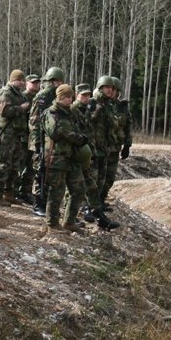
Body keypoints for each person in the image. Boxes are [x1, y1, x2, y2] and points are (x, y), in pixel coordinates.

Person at [72, 83, 119, 230]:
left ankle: (97, 213)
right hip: (80, 153)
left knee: (95, 183)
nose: (85, 98)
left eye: (87, 95)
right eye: (82, 95)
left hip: (95, 149)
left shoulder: (90, 109)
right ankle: (82, 211)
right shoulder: (75, 110)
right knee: (82, 184)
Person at [42, 84, 88, 234]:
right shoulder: (51, 113)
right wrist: (75, 138)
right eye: (66, 97)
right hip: (57, 158)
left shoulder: (71, 113)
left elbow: (81, 128)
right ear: (59, 97)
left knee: (79, 189)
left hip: (72, 157)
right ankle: (53, 224)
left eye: (70, 97)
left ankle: (69, 221)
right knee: (56, 192)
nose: (69, 99)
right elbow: (54, 132)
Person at [28, 67, 65, 217]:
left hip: (51, 141)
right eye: (56, 81)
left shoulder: (57, 96)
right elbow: (34, 121)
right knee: (40, 171)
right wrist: (37, 142)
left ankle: (47, 203)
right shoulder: (42, 96)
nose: (58, 84)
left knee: (48, 171)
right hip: (40, 140)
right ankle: (38, 204)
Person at [0, 69, 30, 206]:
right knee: (4, 164)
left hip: (17, 134)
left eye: (22, 80)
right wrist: (21, 108)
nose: (21, 83)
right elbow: (5, 111)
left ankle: (9, 193)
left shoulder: (19, 94)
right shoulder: (6, 93)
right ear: (12, 80)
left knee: (15, 165)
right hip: (7, 134)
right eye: (19, 80)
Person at [88, 75, 117, 213]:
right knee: (92, 180)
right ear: (100, 88)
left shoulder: (108, 105)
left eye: (111, 88)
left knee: (101, 180)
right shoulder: (93, 103)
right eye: (107, 87)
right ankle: (88, 207)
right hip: (93, 148)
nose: (110, 90)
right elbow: (87, 122)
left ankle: (97, 206)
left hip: (104, 148)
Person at [102, 76, 131, 209]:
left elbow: (127, 127)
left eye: (114, 89)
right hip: (102, 147)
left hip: (115, 147)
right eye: (109, 88)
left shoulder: (122, 107)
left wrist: (127, 145)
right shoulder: (102, 105)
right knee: (98, 177)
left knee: (110, 177)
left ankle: (101, 200)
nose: (111, 91)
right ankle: (92, 204)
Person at [17, 74, 41, 204]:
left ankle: (25, 191)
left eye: (37, 82)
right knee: (21, 165)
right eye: (33, 82)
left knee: (31, 166)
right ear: (26, 83)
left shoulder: (39, 97)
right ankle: (16, 191)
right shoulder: (22, 97)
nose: (35, 84)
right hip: (23, 137)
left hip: (33, 138)